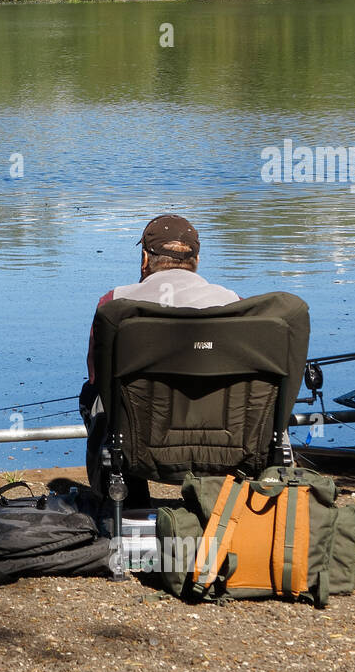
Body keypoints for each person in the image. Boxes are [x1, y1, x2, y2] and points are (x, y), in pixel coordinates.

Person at [80, 214, 238, 505]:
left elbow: (96, 376)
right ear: (197, 260)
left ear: (144, 258)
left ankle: (126, 502)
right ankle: (216, 504)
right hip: (222, 446)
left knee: (92, 394)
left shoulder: (115, 304)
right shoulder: (232, 303)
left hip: (138, 447)